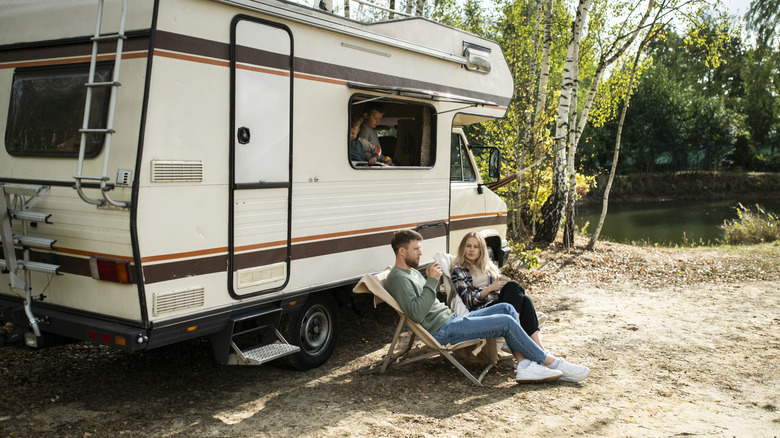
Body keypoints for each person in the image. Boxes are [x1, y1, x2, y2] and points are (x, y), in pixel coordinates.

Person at [384, 229, 589, 383]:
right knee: (507, 321)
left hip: (452, 320)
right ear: (402, 251)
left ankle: (525, 364)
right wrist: (431, 281)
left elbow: (423, 303)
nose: (421, 253)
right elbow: (416, 313)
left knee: (508, 309)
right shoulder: (397, 278)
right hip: (443, 331)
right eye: (416, 249)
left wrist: (429, 280)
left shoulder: (410, 273)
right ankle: (551, 362)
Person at [452, 232, 544, 349]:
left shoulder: (488, 267)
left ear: (482, 250)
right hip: (483, 309)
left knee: (523, 297)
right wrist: (490, 289)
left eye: (476, 247)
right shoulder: (459, 271)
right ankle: (518, 331)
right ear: (463, 248)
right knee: (516, 291)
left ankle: (540, 348)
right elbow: (469, 300)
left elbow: (501, 289)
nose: (472, 250)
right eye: (468, 246)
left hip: (498, 304)